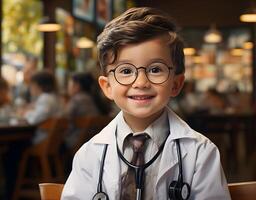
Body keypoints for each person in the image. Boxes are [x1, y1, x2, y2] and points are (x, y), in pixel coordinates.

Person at [62, 7, 231, 200]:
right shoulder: (89, 155)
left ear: (176, 84)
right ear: (107, 86)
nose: (141, 82)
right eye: (125, 71)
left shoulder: (201, 153)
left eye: (155, 69)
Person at [22, 70, 62, 144]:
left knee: (15, 144)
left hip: (43, 140)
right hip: (55, 140)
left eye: (31, 85)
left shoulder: (45, 98)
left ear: (38, 85)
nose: (30, 88)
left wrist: (25, 113)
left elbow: (34, 119)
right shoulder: (56, 98)